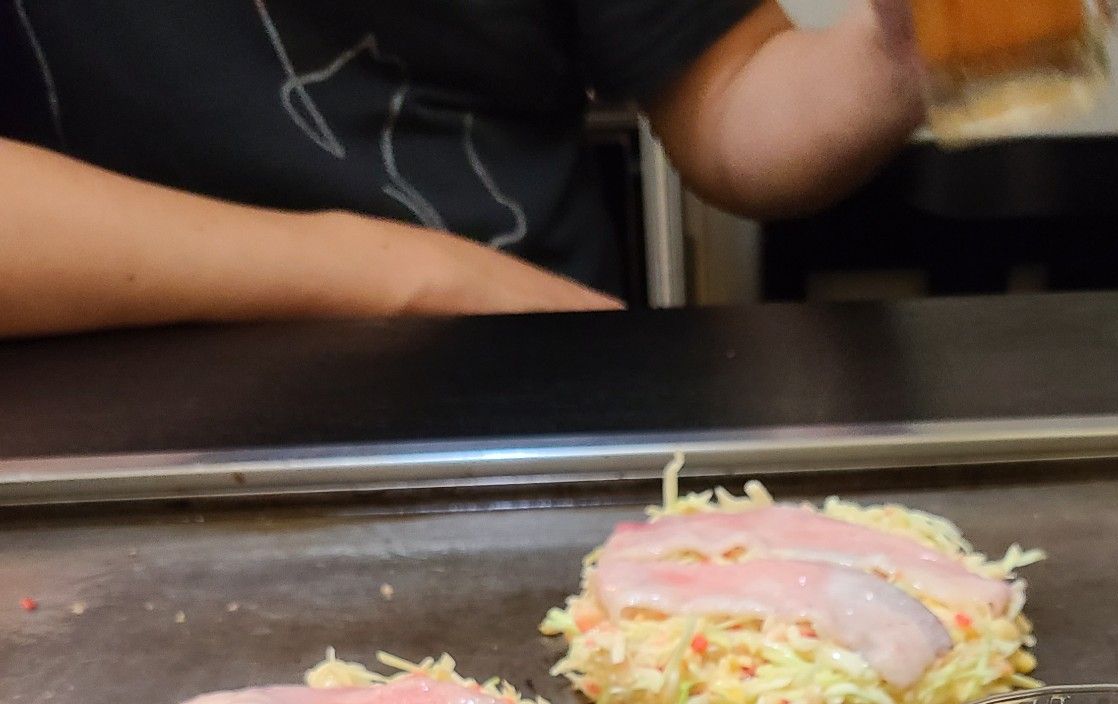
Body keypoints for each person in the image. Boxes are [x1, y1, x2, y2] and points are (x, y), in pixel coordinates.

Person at [0, 0, 925, 335]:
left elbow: (727, 94)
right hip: (118, 439)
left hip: (529, 406)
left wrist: (896, 55)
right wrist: (419, 277)